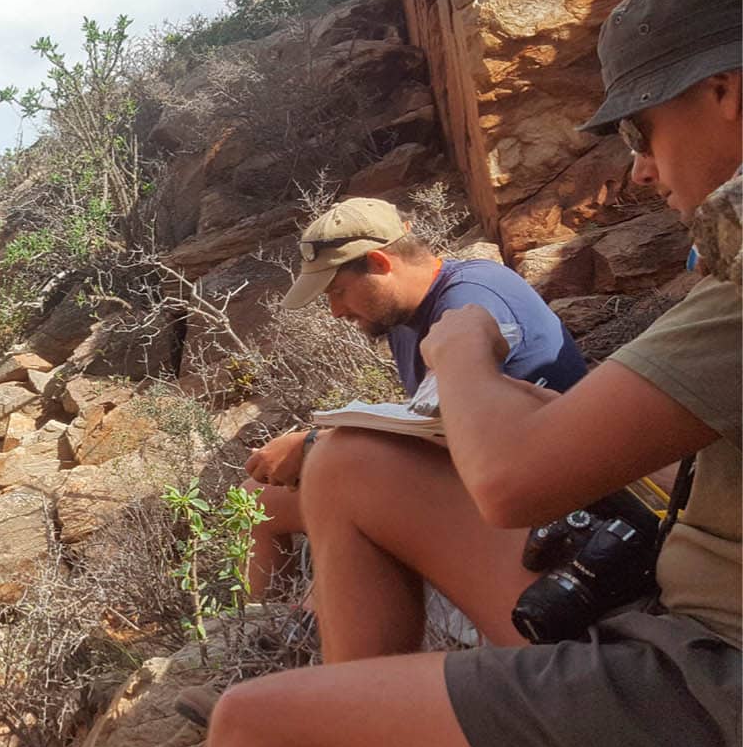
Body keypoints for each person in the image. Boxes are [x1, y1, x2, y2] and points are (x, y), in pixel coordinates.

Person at [154, 0, 742, 747]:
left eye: (643, 128)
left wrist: (460, 355)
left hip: (711, 701)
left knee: (255, 732)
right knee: (345, 466)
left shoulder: (464, 305)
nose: (640, 166)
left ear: (724, 92)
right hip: (665, 590)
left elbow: (506, 476)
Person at [231, 197, 588, 613]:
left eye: (338, 292)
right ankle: (261, 626)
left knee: (337, 495)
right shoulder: (407, 316)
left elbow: (457, 427)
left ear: (381, 263)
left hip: (538, 497)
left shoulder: (469, 300)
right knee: (257, 500)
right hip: (471, 478)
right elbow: (431, 420)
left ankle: (307, 634)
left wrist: (314, 445)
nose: (334, 311)